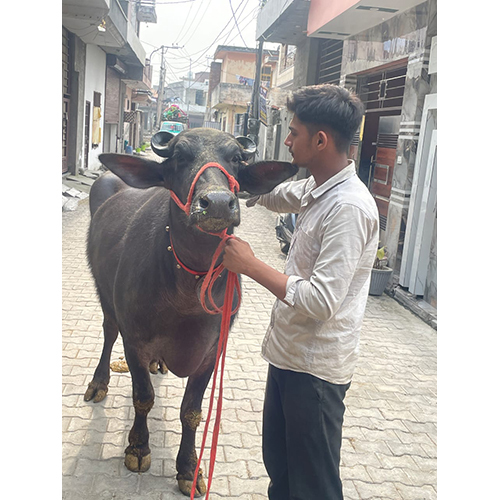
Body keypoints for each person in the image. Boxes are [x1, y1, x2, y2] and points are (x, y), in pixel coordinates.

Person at [222, 84, 379, 500]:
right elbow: (276, 193)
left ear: (321, 140)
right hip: (289, 357)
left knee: (313, 487)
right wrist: (230, 188)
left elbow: (322, 301)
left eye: (293, 133)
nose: (287, 141)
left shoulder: (348, 208)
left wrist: (250, 265)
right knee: (283, 472)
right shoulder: (318, 189)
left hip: (316, 373)